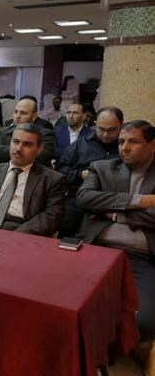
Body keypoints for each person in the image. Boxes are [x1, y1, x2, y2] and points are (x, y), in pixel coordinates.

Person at [76, 120, 155, 363]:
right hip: (97, 249)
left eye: (133, 142)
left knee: (143, 320)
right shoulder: (103, 168)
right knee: (72, 303)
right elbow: (84, 198)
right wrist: (141, 202)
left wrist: (111, 212)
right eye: (121, 142)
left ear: (152, 144)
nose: (124, 148)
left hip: (141, 257)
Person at [0, 123, 67, 237]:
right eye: (16, 142)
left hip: (22, 231)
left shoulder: (52, 180)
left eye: (27, 144)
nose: (18, 149)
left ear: (39, 149)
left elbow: (52, 216)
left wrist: (15, 237)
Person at [57, 106, 122, 237]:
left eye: (111, 130)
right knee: (66, 226)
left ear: (121, 126)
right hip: (78, 195)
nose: (105, 134)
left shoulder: (125, 146)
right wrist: (80, 174)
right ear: (95, 124)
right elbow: (61, 170)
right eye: (101, 129)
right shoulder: (81, 144)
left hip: (113, 199)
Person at [0, 98, 56, 167]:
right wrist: (26, 150)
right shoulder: (3, 131)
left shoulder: (46, 134)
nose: (17, 116)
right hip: (6, 171)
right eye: (16, 112)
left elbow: (42, 157)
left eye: (23, 113)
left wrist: (11, 151)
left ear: (34, 116)